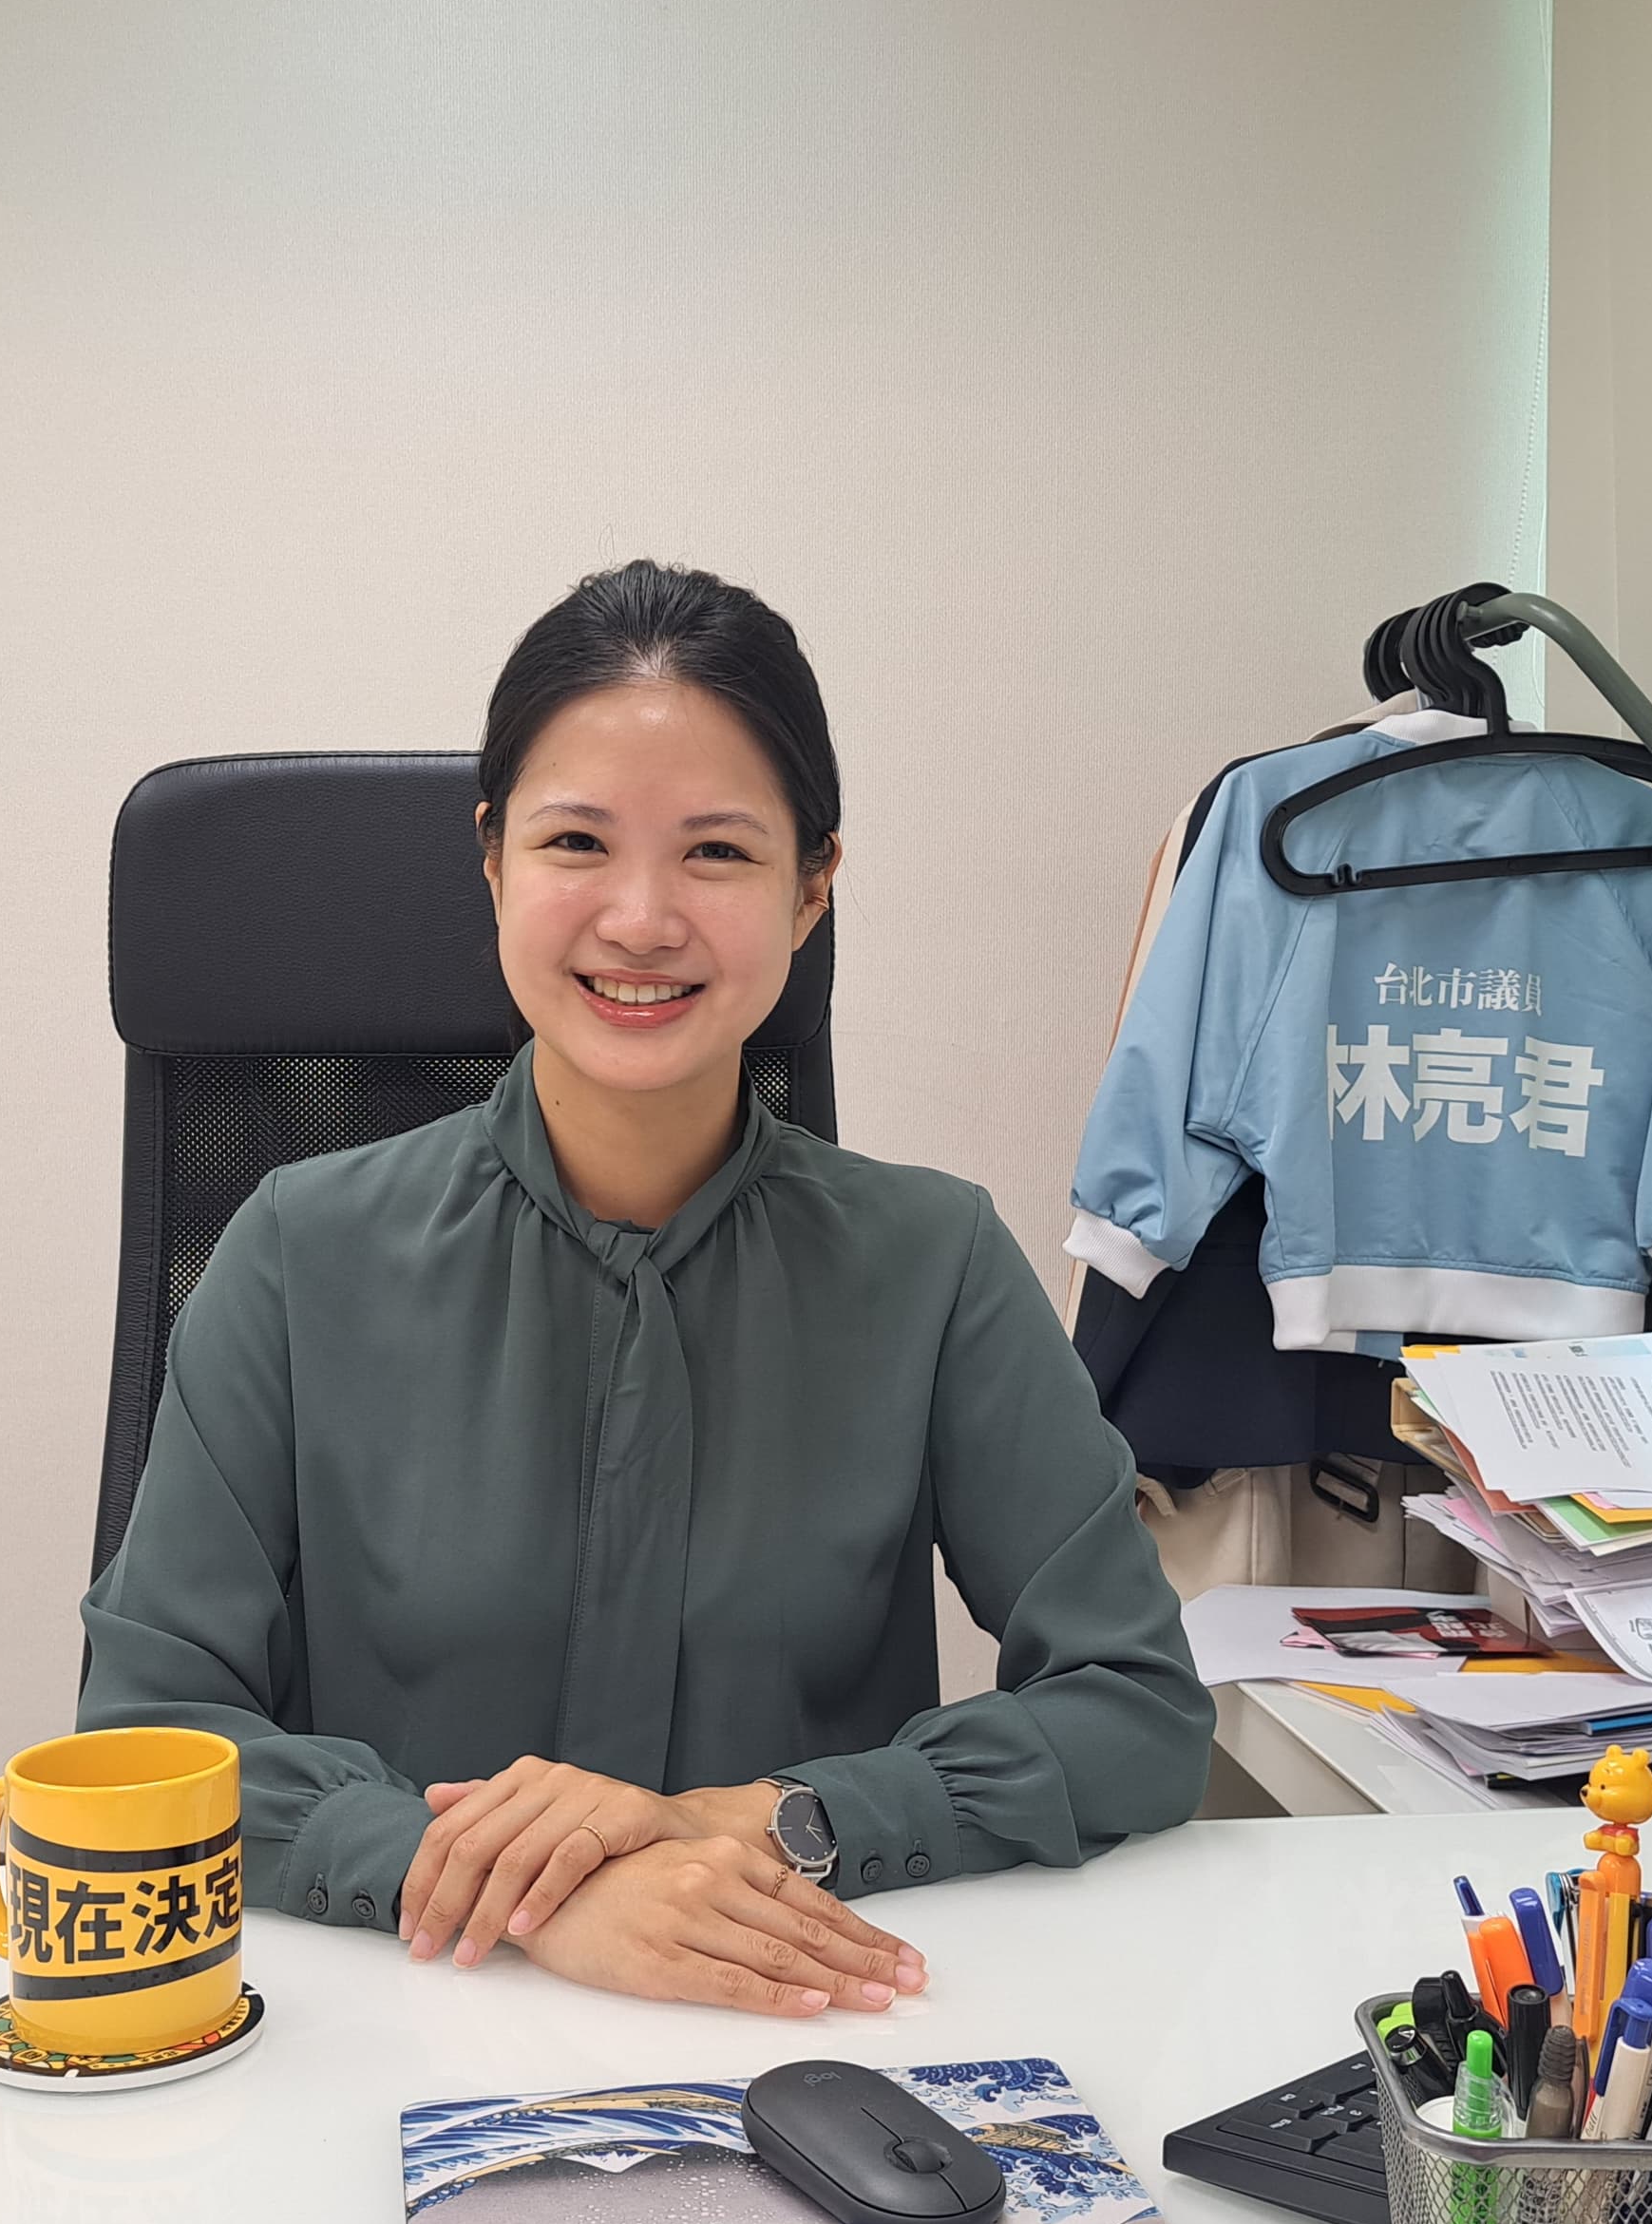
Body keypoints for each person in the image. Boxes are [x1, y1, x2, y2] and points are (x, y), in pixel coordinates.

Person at [78, 560, 1210, 2018]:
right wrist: (532, 1887)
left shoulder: (931, 1266)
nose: (640, 917)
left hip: (801, 2025)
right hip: (397, 2022)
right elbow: (152, 1727)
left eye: (718, 855)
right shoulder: (296, 1252)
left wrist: (759, 1821)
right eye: (576, 842)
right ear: (492, 863)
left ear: (813, 889)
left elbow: (1138, 1715)